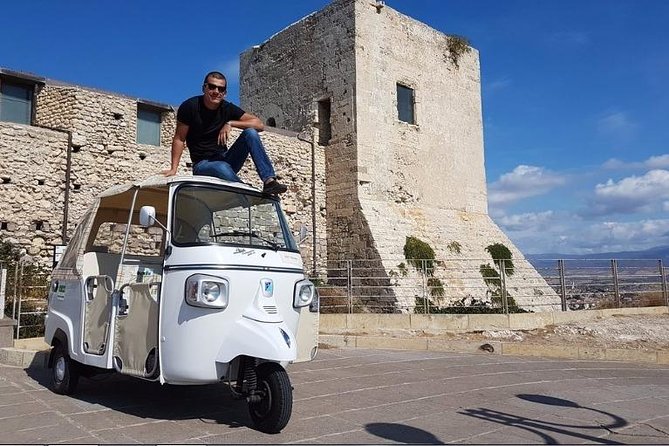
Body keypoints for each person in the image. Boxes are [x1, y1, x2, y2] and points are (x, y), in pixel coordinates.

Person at [162, 71, 287, 195]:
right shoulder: (190, 107)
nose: (216, 91)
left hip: (225, 158)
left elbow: (259, 124)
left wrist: (231, 123)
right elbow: (179, 139)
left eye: (221, 89)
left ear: (225, 93)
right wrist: (174, 169)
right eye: (212, 87)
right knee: (221, 167)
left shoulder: (227, 108)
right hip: (202, 164)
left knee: (250, 133)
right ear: (204, 88)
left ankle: (269, 181)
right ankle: (246, 192)